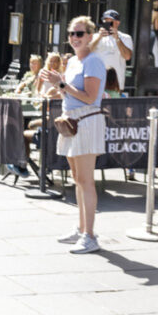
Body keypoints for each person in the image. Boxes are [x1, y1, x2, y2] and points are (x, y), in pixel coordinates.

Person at [40, 16, 107, 254]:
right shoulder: (72, 63)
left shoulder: (93, 61)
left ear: (90, 36)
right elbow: (70, 93)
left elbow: (90, 97)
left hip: (86, 121)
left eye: (80, 33)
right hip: (71, 121)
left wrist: (61, 85)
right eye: (71, 34)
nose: (75, 38)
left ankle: (90, 235)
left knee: (86, 180)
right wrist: (56, 87)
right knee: (77, 179)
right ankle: (81, 229)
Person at [91, 9, 132, 93]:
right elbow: (86, 52)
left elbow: (127, 56)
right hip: (96, 83)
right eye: (106, 21)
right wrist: (99, 37)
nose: (108, 24)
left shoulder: (125, 37)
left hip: (116, 85)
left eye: (111, 22)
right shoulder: (95, 37)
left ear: (117, 23)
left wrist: (117, 38)